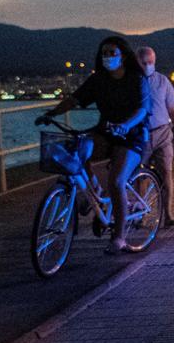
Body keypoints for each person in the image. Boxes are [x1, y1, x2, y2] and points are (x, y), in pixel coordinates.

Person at [38, 36, 150, 255]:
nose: (107, 57)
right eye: (104, 53)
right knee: (77, 149)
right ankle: (94, 191)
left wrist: (126, 126)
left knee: (117, 181)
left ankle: (119, 236)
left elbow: (143, 110)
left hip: (132, 136)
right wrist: (51, 113)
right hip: (106, 131)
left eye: (112, 53)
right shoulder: (99, 80)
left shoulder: (137, 79)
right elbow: (75, 99)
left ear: (123, 56)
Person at [137, 46, 174, 227]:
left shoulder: (162, 81)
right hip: (142, 135)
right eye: (144, 62)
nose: (148, 65)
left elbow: (173, 109)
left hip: (163, 132)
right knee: (142, 176)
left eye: (151, 62)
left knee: (167, 172)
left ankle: (168, 215)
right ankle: (141, 215)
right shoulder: (134, 82)